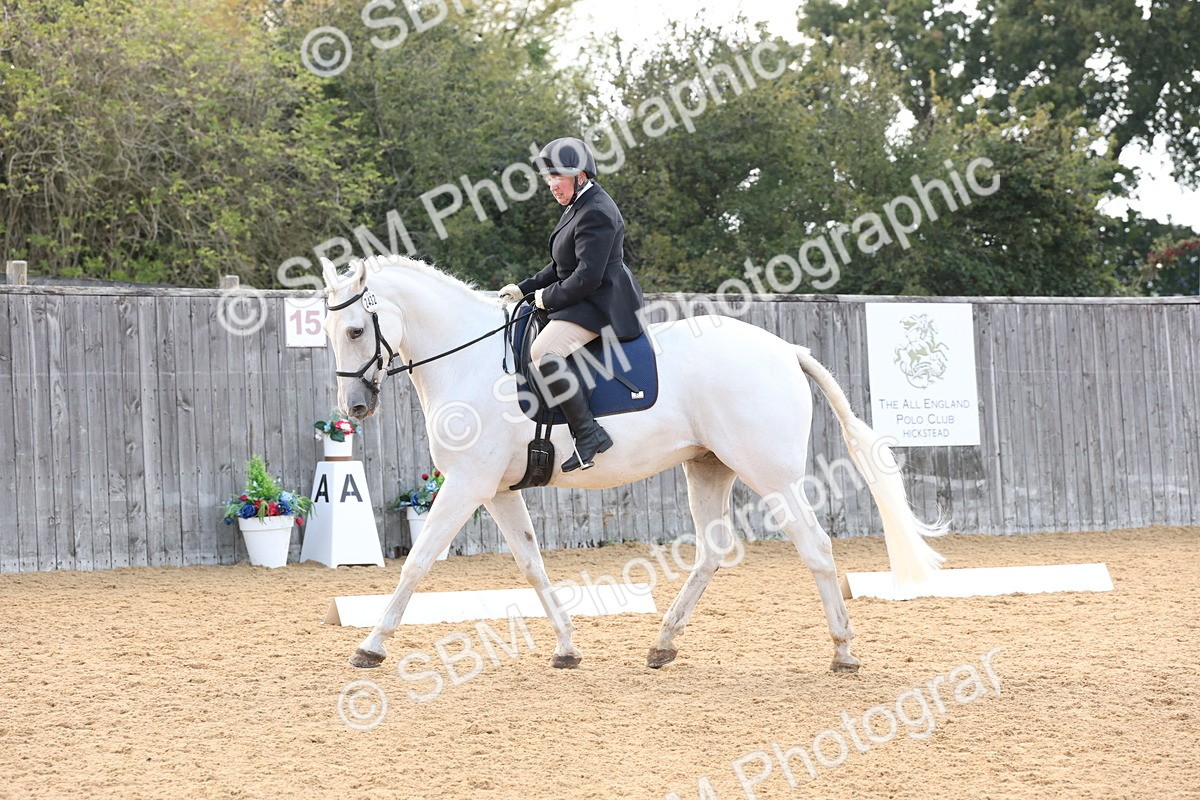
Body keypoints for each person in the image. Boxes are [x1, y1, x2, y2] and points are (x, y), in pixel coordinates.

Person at [499, 137, 645, 472]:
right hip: (585, 296)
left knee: (543, 352)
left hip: (602, 303)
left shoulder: (596, 212)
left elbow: (587, 276)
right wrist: (524, 288)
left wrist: (545, 297)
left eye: (557, 177)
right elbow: (561, 265)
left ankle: (588, 433)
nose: (551, 185)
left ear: (579, 175)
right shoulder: (579, 204)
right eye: (548, 178)